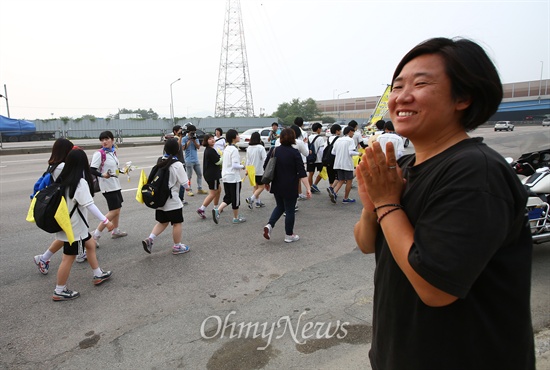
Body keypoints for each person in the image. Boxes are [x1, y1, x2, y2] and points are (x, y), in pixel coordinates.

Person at [354, 37, 534, 369]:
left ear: (463, 97)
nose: (401, 97)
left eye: (420, 83)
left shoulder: (476, 171)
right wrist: (373, 204)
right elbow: (366, 243)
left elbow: (435, 289)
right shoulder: (404, 167)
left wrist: (386, 203)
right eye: (397, 86)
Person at [52, 149, 114, 301]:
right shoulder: (79, 182)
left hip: (67, 223)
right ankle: (59, 290)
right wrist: (106, 221)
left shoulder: (62, 178)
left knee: (91, 244)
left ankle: (98, 274)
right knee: (68, 258)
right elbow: (90, 205)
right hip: (74, 227)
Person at [142, 138, 191, 255]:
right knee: (177, 223)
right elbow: (186, 185)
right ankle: (177, 246)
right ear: (177, 150)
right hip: (172, 201)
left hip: (160, 199)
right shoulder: (177, 164)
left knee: (162, 222)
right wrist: (188, 184)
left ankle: (150, 239)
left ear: (165, 149)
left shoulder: (160, 161)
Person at [33, 138, 74, 275]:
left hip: (58, 204)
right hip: (62, 206)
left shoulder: (53, 165)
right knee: (68, 234)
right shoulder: (62, 167)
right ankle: (44, 258)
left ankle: (44, 258)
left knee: (69, 234)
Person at [262, 128, 311, 243]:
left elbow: (266, 167)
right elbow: (302, 172)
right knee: (289, 210)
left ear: (281, 138)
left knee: (280, 206)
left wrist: (266, 182)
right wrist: (308, 188)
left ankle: (269, 225)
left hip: (277, 185)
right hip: (290, 185)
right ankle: (289, 235)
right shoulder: (294, 153)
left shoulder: (274, 150)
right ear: (293, 139)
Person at [88, 131, 127, 262]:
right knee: (114, 210)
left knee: (118, 209)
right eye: (102, 140)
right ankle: (96, 235)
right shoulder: (99, 153)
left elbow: (113, 168)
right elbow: (92, 169)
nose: (104, 141)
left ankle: (115, 231)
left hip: (115, 184)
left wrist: (122, 170)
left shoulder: (112, 152)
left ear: (112, 140)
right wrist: (102, 175)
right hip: (107, 186)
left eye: (107, 139)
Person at [214, 129, 246, 224]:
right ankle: (235, 218)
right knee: (235, 198)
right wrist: (243, 166)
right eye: (237, 135)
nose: (239, 136)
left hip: (226, 176)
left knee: (228, 197)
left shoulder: (227, 148)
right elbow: (235, 165)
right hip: (234, 178)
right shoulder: (234, 150)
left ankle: (218, 210)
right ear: (233, 137)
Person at [330, 126, 359, 203]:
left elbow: (333, 152)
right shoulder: (350, 140)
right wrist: (359, 153)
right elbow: (350, 152)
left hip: (338, 163)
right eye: (353, 132)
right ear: (350, 132)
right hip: (347, 163)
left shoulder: (338, 140)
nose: (353, 134)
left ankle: (334, 192)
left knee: (341, 179)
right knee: (349, 181)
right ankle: (346, 198)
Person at [197, 134, 222, 219]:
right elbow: (218, 162)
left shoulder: (210, 149)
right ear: (206, 141)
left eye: (212, 138)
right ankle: (202, 208)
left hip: (211, 174)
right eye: (209, 139)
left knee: (218, 189)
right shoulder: (210, 151)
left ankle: (216, 207)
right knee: (213, 192)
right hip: (212, 175)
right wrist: (224, 157)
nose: (212, 140)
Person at [181, 124, 207, 196]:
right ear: (188, 132)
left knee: (199, 174)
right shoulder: (184, 139)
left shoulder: (196, 138)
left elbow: (198, 147)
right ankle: (189, 190)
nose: (193, 133)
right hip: (188, 160)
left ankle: (199, 188)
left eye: (194, 132)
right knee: (189, 176)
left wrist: (194, 140)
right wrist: (189, 139)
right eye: (192, 132)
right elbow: (183, 148)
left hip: (196, 159)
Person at [245, 132, 267, 209]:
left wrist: (247, 169)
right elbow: (265, 159)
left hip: (251, 170)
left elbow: (247, 160)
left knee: (255, 187)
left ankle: (258, 202)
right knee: (261, 187)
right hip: (259, 170)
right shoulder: (260, 147)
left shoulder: (249, 148)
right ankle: (251, 199)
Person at [172, 125, 188, 205]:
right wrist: (181, 137)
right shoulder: (175, 139)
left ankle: (179, 198)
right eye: (179, 130)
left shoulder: (179, 138)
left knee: (180, 182)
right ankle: (180, 198)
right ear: (175, 131)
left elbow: (182, 148)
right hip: (178, 163)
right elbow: (177, 148)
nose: (181, 132)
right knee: (182, 181)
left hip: (181, 162)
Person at [306, 122, 325, 193]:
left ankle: (310, 187)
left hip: (310, 158)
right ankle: (315, 184)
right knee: (322, 172)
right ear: (318, 129)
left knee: (310, 173)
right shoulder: (320, 138)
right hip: (319, 159)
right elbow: (321, 150)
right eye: (320, 128)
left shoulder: (309, 137)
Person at [325, 123, 342, 199]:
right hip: (335, 159)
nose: (340, 132)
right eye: (340, 130)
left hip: (328, 160)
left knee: (331, 175)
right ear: (337, 131)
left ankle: (331, 188)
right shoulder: (339, 139)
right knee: (338, 176)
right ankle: (332, 190)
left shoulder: (328, 139)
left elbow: (324, 149)